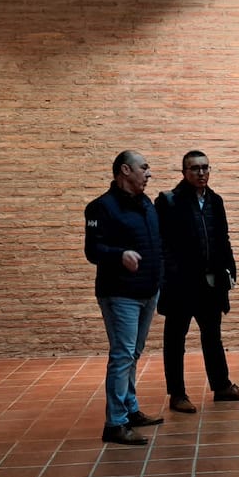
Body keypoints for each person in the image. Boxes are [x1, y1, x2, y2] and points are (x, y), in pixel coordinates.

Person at [155, 150, 239, 412]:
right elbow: (161, 244)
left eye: (205, 168)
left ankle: (221, 386)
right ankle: (177, 394)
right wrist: (170, 275)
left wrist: (230, 269)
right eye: (195, 168)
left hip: (210, 283)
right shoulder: (169, 201)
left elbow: (223, 238)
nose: (201, 173)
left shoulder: (215, 201)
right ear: (184, 172)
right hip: (180, 285)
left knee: (212, 336)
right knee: (175, 340)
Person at [84, 150, 165, 446]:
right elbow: (93, 251)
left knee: (133, 354)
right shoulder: (100, 207)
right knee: (122, 356)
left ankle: (130, 410)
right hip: (120, 295)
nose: (149, 173)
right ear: (125, 170)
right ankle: (115, 423)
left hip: (148, 291)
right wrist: (120, 255)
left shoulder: (146, 203)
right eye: (144, 167)